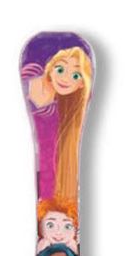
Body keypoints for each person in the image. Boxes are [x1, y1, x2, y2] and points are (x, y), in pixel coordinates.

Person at [22, 46, 92, 209]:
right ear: (50, 69)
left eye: (75, 75)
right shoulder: (32, 76)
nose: (65, 79)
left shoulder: (64, 116)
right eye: (60, 69)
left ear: (81, 84)